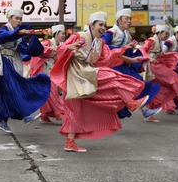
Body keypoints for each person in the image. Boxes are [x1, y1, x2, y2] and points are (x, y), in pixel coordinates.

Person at [50, 11, 150, 153]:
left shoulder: (101, 42)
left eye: (104, 25)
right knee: (112, 77)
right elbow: (60, 49)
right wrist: (68, 47)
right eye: (100, 25)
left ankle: (70, 142)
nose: (103, 28)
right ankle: (129, 102)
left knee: (76, 109)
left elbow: (106, 59)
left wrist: (125, 51)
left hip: (87, 73)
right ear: (91, 25)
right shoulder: (79, 36)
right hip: (76, 74)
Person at [0, 8, 52, 133]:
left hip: (11, 63)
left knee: (5, 92)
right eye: (16, 18)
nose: (18, 21)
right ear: (10, 18)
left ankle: (3, 121)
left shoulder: (19, 35)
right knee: (16, 86)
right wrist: (19, 32)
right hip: (2, 62)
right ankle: (24, 114)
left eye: (20, 19)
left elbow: (25, 51)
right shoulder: (5, 29)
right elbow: (1, 38)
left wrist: (40, 51)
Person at [102, 8, 161, 120]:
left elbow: (134, 47)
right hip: (113, 66)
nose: (129, 21)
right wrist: (124, 49)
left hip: (122, 64)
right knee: (135, 83)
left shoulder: (126, 34)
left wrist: (145, 57)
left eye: (130, 19)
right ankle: (137, 107)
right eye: (127, 18)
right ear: (119, 20)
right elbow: (103, 46)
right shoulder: (111, 32)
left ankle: (142, 109)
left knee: (138, 83)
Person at [138, 25, 178, 120]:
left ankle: (149, 112)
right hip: (152, 67)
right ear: (159, 32)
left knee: (157, 89)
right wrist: (150, 58)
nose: (167, 36)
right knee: (173, 77)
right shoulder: (151, 40)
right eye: (165, 33)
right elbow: (142, 50)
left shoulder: (160, 42)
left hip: (154, 66)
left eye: (168, 34)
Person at [27, 24, 67, 123]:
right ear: (56, 33)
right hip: (45, 71)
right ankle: (59, 112)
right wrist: (49, 51)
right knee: (52, 92)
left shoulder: (60, 45)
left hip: (53, 71)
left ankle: (45, 114)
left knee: (49, 93)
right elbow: (39, 49)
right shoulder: (48, 42)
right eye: (62, 33)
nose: (64, 35)